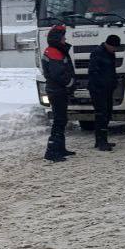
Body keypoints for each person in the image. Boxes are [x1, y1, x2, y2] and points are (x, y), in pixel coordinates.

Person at [42, 24, 76, 163]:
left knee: (62, 120)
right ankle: (51, 151)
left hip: (57, 90)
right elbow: (58, 74)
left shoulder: (55, 50)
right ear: (58, 38)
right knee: (59, 121)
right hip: (57, 91)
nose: (65, 39)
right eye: (63, 37)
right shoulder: (54, 52)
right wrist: (70, 83)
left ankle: (60, 148)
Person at [88, 33, 121, 151]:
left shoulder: (109, 53)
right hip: (98, 90)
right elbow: (93, 73)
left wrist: (113, 83)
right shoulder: (97, 53)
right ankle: (101, 142)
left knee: (107, 113)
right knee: (101, 115)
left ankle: (102, 140)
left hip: (107, 89)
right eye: (114, 47)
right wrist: (101, 85)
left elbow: (111, 70)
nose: (115, 50)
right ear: (109, 44)